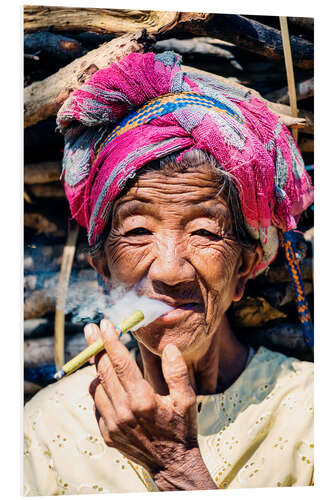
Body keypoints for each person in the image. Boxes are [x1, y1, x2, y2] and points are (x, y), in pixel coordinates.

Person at [24, 51, 314, 495]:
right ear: (103, 269)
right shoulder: (44, 431)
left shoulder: (313, 416)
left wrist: (174, 465)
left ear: (245, 268)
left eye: (203, 231)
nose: (169, 269)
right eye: (138, 230)